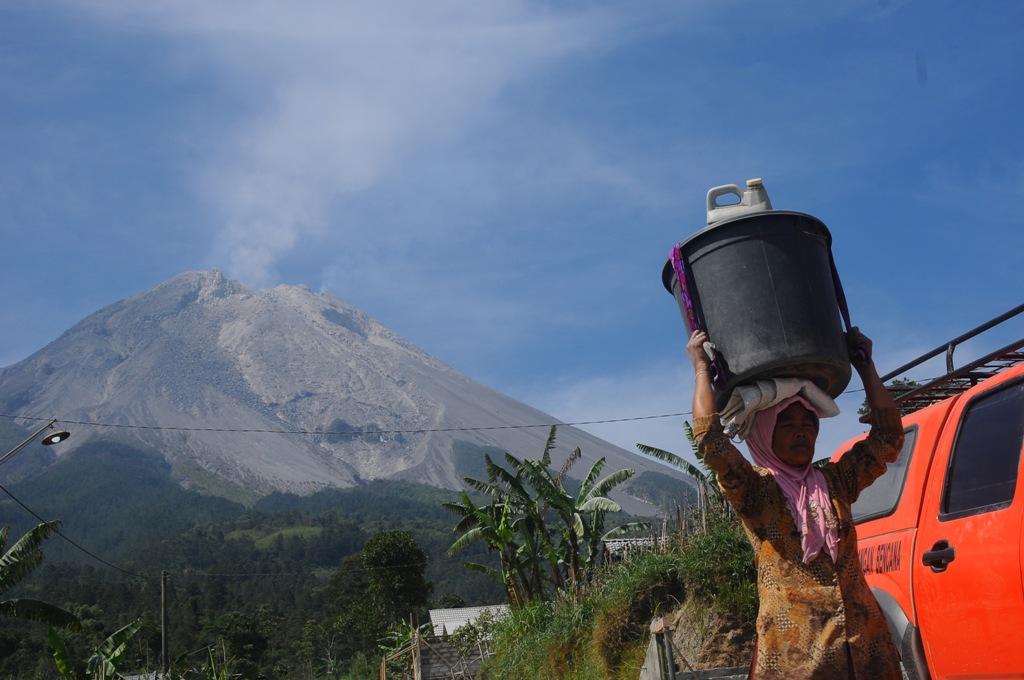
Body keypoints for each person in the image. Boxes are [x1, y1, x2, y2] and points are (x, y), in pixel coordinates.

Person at [687, 327, 904, 679]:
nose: (801, 430)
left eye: (808, 422)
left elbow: (888, 438)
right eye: (786, 422)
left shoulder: (836, 482)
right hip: (797, 662)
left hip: (866, 652)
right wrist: (700, 368)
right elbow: (711, 440)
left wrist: (866, 366)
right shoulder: (756, 491)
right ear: (763, 432)